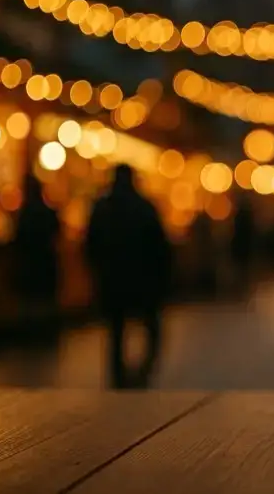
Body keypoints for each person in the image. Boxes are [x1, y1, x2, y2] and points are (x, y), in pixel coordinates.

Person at [85, 165, 173, 389]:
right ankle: (142, 372)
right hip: (143, 279)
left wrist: (97, 271)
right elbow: (160, 246)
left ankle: (118, 378)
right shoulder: (145, 207)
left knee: (116, 331)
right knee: (152, 327)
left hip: (112, 278)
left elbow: (90, 244)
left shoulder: (102, 207)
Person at [13, 175, 60, 322]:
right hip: (45, 265)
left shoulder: (24, 215)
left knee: (30, 306)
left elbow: (19, 239)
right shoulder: (47, 212)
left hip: (30, 266)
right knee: (45, 305)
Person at [230, 193, 256, 295]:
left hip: (242, 248)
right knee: (244, 270)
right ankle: (243, 290)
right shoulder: (246, 215)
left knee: (242, 270)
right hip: (244, 248)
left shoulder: (239, 215)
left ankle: (242, 290)